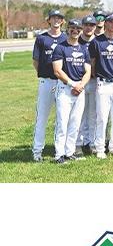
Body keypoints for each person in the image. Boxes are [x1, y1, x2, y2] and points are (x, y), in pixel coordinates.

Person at [89, 13, 113, 159]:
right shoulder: (97, 42)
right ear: (105, 23)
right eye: (111, 22)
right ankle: (100, 148)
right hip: (103, 83)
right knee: (102, 117)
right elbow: (92, 63)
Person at [51, 18, 91, 164]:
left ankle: (69, 152)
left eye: (78, 29)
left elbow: (88, 71)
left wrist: (80, 85)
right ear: (67, 29)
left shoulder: (83, 48)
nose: (75, 31)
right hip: (65, 89)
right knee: (62, 123)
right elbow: (57, 70)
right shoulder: (60, 47)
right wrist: (72, 84)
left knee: (75, 123)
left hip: (79, 90)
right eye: (72, 28)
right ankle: (59, 154)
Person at [31, 9, 67, 162]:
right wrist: (45, 75)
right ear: (49, 20)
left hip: (62, 82)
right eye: (54, 18)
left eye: (59, 18)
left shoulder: (66, 38)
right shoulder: (41, 38)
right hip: (46, 81)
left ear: (62, 21)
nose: (56, 20)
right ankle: (37, 151)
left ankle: (60, 151)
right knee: (42, 118)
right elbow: (35, 62)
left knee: (62, 118)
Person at [75, 15, 99, 156]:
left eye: (92, 25)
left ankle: (91, 143)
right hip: (80, 81)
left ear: (95, 27)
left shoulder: (98, 41)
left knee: (93, 114)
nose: (89, 27)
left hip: (95, 81)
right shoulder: (76, 40)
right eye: (86, 25)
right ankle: (78, 143)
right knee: (79, 114)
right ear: (82, 26)